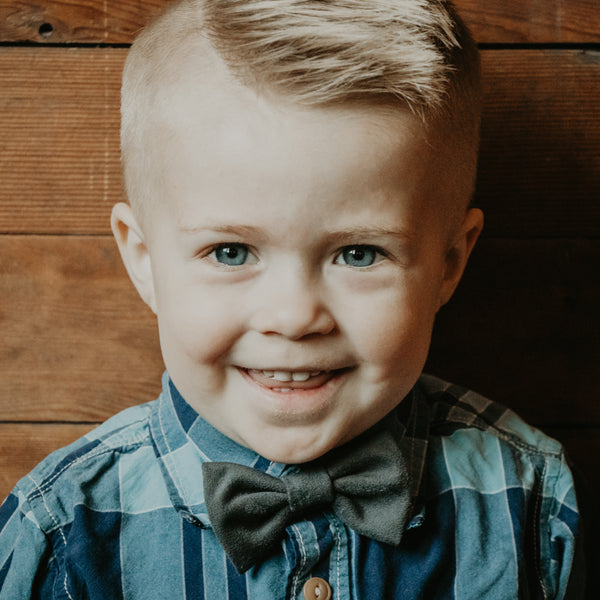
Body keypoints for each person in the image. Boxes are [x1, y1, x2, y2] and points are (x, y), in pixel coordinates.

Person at [0, 0, 584, 597]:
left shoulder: (534, 503)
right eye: (231, 252)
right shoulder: (60, 531)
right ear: (144, 261)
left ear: (448, 264)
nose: (294, 317)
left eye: (359, 253)